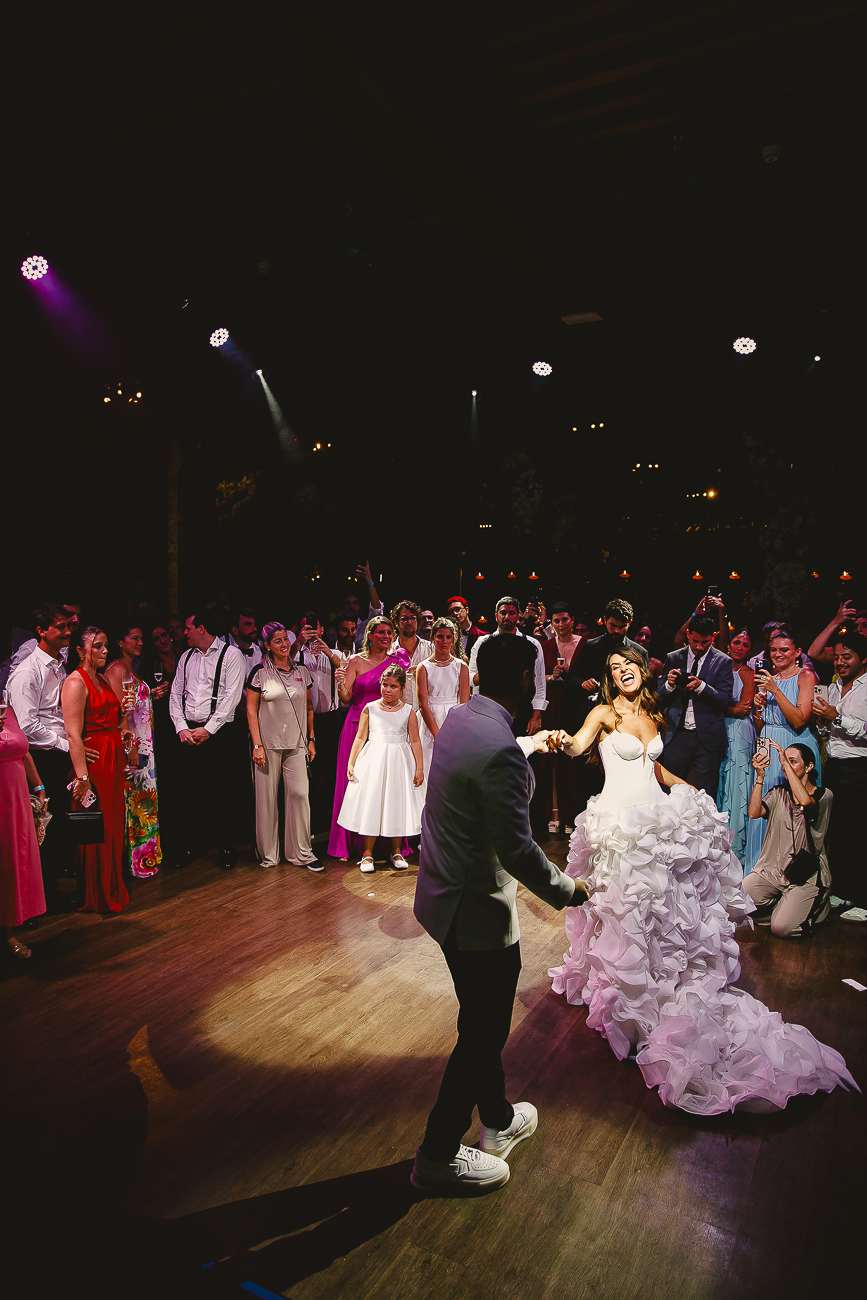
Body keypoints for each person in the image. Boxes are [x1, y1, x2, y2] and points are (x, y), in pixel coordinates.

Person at [547, 647, 857, 1114]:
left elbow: (653, 767)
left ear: (641, 667)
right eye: (612, 668)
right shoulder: (603, 713)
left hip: (656, 821)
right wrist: (556, 739)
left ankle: (658, 983)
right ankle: (625, 999)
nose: (621, 671)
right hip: (619, 825)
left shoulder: (653, 713)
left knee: (663, 912)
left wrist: (684, 786)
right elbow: (575, 746)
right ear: (610, 679)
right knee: (622, 913)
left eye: (626, 663)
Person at [411, 634, 587, 1194]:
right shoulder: (501, 750)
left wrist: (533, 744)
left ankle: (498, 1120)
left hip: (440, 897)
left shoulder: (462, 719)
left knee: (478, 1019)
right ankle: (438, 1154)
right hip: (476, 915)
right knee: (483, 1032)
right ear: (522, 682)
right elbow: (517, 850)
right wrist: (571, 890)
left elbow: (493, 753)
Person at [7, 604, 92, 908]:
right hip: (39, 758)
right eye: (60, 626)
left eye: (68, 626)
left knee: (55, 827)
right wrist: (68, 745)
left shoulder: (57, 664)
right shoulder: (28, 671)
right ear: (42, 631)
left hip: (57, 752)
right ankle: (39, 900)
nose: (68, 631)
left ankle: (52, 890)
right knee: (41, 827)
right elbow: (27, 724)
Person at [327, 616, 410, 861]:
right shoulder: (355, 660)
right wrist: (340, 682)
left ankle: (387, 847)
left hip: (385, 727)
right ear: (370, 635)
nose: (386, 637)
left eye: (389, 633)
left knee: (384, 786)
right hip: (356, 726)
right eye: (381, 632)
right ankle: (348, 845)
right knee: (354, 783)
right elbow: (346, 697)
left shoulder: (397, 662)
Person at [168, 610, 246, 870]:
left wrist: (209, 730)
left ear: (201, 628)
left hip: (220, 733)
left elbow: (231, 698)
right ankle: (192, 844)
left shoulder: (231, 655)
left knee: (221, 791)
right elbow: (176, 692)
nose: (184, 632)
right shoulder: (186, 657)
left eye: (188, 628)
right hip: (188, 731)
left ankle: (225, 845)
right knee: (190, 790)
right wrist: (181, 727)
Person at [61, 628, 131, 914]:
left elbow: (110, 717)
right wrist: (83, 778)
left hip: (113, 759)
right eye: (97, 646)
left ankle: (113, 886)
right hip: (95, 764)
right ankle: (98, 893)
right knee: (98, 828)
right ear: (80, 651)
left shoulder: (101, 678)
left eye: (105, 646)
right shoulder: (76, 682)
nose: (104, 651)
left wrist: (122, 725)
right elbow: (73, 734)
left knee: (113, 827)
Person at [247, 623, 322, 872]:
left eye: (285, 639)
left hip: (297, 744)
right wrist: (257, 744)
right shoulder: (259, 672)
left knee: (300, 795)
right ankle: (269, 854)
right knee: (267, 801)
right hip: (267, 745)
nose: (283, 644)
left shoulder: (302, 671)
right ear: (267, 646)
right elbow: (251, 710)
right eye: (277, 641)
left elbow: (309, 708)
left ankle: (301, 852)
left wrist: (311, 738)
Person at [745, 626, 819, 873]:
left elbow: (800, 719)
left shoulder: (805, 676)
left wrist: (775, 690)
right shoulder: (768, 678)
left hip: (794, 746)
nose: (777, 655)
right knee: (765, 807)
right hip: (768, 745)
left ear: (797, 652)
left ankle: (792, 875)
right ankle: (760, 873)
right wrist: (758, 709)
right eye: (773, 650)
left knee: (792, 812)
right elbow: (761, 723)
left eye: (784, 650)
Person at [339, 664, 425, 872]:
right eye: (384, 685)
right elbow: (361, 737)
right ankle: (367, 854)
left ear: (402, 688)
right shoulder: (371, 708)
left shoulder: (408, 711)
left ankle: (396, 851)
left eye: (393, 686)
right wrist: (351, 762)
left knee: (396, 802)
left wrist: (419, 768)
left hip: (399, 759)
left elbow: (415, 741)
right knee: (373, 801)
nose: (387, 690)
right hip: (374, 758)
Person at [744, 741, 832, 937]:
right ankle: (782, 906)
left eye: (792, 761)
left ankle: (817, 911)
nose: (785, 766)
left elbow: (805, 801)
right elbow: (754, 812)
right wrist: (759, 778)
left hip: (804, 874)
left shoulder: (824, 795)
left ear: (809, 766)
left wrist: (784, 760)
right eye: (784, 762)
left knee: (781, 929)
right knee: (741, 898)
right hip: (774, 870)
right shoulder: (778, 793)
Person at [812, 630, 867, 921]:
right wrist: (823, 723)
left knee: (859, 833)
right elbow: (830, 730)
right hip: (834, 765)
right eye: (836, 658)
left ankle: (863, 899)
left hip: (859, 768)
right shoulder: (835, 686)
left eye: (847, 657)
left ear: (863, 659)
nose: (840, 663)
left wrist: (838, 717)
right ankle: (844, 892)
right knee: (839, 832)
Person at [106, 625, 164, 878]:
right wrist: (129, 748)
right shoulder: (117, 669)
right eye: (134, 638)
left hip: (144, 744)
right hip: (133, 746)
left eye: (142, 639)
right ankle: (133, 860)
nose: (140, 643)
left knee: (143, 800)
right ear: (120, 641)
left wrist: (151, 694)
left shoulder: (132, 669)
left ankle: (144, 857)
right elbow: (120, 713)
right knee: (135, 803)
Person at [657, 613, 734, 798]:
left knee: (705, 795)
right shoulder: (673, 658)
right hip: (677, 735)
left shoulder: (723, 661)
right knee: (670, 793)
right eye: (695, 641)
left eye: (705, 642)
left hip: (707, 739)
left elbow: (724, 699)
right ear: (689, 634)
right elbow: (657, 698)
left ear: (713, 637)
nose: (699, 647)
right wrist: (669, 685)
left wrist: (702, 687)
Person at [297, 613, 355, 835]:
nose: (311, 632)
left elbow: (348, 668)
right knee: (308, 772)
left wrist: (328, 651)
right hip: (305, 719)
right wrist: (299, 642)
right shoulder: (297, 654)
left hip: (331, 718)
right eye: (306, 628)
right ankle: (307, 823)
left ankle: (327, 822)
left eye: (314, 628)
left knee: (330, 772)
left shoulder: (335, 653)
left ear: (322, 630)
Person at [0, 698, 47, 956]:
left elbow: (24, 751)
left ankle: (8, 930)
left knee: (13, 864)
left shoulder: (6, 708)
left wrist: (38, 786)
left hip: (16, 801)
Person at [537, 602, 585, 833]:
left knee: (572, 759)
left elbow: (586, 675)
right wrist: (550, 677)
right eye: (556, 621)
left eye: (564, 619)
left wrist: (571, 676)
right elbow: (538, 679)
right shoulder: (545, 645)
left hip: (574, 706)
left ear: (572, 620)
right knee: (550, 757)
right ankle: (553, 812)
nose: (561, 624)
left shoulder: (584, 644)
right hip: (551, 705)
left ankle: (571, 814)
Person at [468, 597, 547, 735]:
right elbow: (470, 677)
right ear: (496, 616)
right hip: (489, 708)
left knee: (521, 753)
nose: (507, 617)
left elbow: (539, 682)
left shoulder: (532, 644)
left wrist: (536, 716)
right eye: (503, 613)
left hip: (522, 710)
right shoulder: (482, 643)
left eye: (511, 613)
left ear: (518, 616)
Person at [715, 627, 756, 863]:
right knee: (719, 783)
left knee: (736, 785)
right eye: (737, 642)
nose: (740, 647)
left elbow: (743, 709)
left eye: (746, 644)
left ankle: (736, 851)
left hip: (739, 733)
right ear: (728, 645)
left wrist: (717, 706)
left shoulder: (748, 673)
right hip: (719, 729)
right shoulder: (719, 667)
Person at [571, 600, 647, 722]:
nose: (617, 631)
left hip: (626, 715)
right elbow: (572, 676)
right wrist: (583, 683)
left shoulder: (639, 652)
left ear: (629, 623)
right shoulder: (590, 646)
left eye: (622, 627)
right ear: (605, 620)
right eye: (613, 625)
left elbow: (646, 687)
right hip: (591, 711)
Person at [416, 618, 470, 779]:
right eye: (440, 636)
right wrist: (437, 735)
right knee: (428, 768)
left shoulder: (461, 666)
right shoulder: (423, 667)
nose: (444, 641)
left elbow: (464, 704)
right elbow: (422, 704)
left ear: (453, 639)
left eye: (448, 637)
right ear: (433, 637)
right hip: (429, 721)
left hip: (453, 720)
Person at [390, 600, 433, 711]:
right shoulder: (389, 652)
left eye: (413, 618)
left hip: (425, 713)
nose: (409, 622)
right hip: (397, 712)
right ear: (396, 622)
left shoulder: (431, 649)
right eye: (404, 619)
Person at [807, 600, 860, 666]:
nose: (859, 629)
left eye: (865, 625)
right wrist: (836, 622)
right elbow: (813, 653)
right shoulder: (846, 649)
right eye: (855, 626)